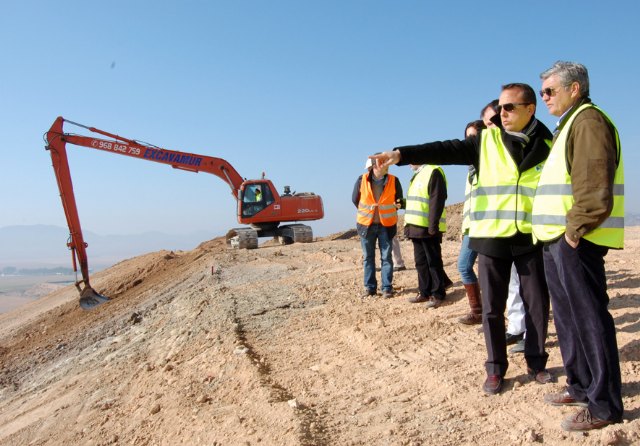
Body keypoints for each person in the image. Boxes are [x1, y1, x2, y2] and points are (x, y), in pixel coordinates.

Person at [370, 83, 554, 394]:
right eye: (500, 110)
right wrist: (400, 155)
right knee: (493, 308)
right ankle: (495, 369)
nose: (501, 115)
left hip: (531, 236)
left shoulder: (550, 142)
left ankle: (536, 362)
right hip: (492, 236)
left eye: (509, 108)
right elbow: (444, 148)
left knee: (537, 303)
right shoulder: (485, 140)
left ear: (530, 109)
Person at [532, 61, 624, 431]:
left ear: (575, 89)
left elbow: (594, 185)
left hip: (576, 241)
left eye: (550, 91)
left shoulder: (588, 121)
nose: (545, 98)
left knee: (589, 320)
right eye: (542, 93)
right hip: (557, 241)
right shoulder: (568, 125)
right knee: (569, 320)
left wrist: (574, 232)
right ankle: (581, 385)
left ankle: (603, 407)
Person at [352, 157, 403, 299]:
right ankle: (370, 288)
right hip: (366, 225)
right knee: (368, 258)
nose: (386, 166)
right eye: (383, 163)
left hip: (386, 225)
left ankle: (387, 288)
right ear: (375, 166)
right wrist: (370, 211)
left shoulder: (394, 180)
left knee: (386, 257)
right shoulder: (361, 180)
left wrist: (389, 210)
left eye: (387, 163)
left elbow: (399, 200)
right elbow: (355, 199)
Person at [404, 163, 448, 308]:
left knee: (433, 261)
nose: (409, 163)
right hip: (416, 227)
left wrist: (433, 226)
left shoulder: (433, 171)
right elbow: (418, 201)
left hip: (429, 227)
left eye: (411, 159)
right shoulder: (417, 174)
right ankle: (424, 292)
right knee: (421, 262)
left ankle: (438, 294)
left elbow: (437, 199)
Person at [457, 120, 484, 325]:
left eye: (473, 137)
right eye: (467, 138)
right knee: (464, 266)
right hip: (471, 227)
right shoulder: (470, 171)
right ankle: (478, 311)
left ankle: (487, 313)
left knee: (488, 273)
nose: (469, 142)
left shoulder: (489, 166)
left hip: (487, 227)